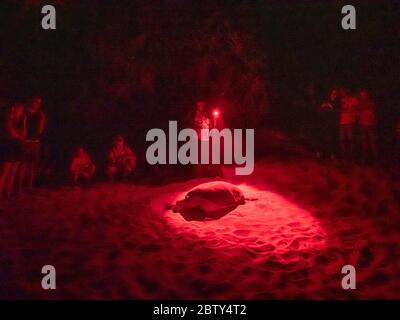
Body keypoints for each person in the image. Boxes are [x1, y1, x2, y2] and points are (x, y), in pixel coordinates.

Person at [19, 96, 46, 190]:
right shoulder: (24, 112)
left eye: (39, 102)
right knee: (22, 165)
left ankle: (29, 186)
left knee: (31, 165)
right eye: (36, 102)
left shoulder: (40, 114)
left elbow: (40, 130)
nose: (38, 104)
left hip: (35, 141)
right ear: (31, 101)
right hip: (25, 141)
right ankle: (19, 187)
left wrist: (42, 122)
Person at [0, 103, 26, 198]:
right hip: (7, 145)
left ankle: (7, 193)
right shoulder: (6, 120)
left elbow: (23, 134)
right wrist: (19, 136)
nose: (18, 111)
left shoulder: (20, 121)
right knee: (4, 172)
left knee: (12, 173)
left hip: (16, 146)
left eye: (20, 109)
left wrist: (23, 122)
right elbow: (12, 133)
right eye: (16, 108)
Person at [316, 88, 340, 160]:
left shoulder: (338, 101)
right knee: (323, 138)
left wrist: (331, 106)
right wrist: (323, 106)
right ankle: (320, 153)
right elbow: (320, 110)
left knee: (332, 139)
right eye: (332, 93)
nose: (333, 94)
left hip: (333, 123)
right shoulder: (327, 100)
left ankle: (332, 154)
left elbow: (337, 112)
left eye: (335, 93)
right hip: (325, 122)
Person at [358, 89, 377, 164]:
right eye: (361, 95)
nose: (362, 96)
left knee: (373, 143)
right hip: (362, 125)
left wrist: (374, 122)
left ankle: (376, 160)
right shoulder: (360, 103)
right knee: (364, 144)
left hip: (370, 125)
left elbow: (373, 113)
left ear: (367, 94)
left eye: (363, 94)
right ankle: (364, 160)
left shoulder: (371, 102)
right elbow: (358, 114)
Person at [339, 89, 358, 161]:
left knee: (351, 140)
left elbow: (356, 109)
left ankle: (351, 156)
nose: (343, 93)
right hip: (341, 122)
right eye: (342, 92)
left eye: (344, 92)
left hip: (349, 122)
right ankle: (344, 157)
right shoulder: (340, 100)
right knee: (342, 140)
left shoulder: (353, 99)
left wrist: (354, 118)